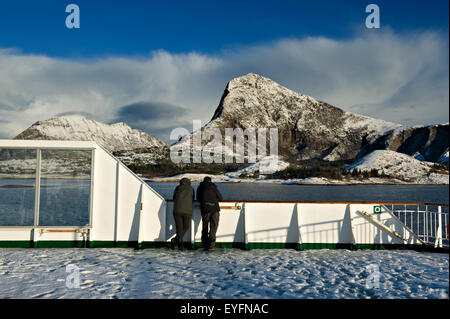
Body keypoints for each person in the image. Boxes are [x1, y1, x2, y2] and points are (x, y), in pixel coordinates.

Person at [196, 176, 223, 251]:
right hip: (215, 209)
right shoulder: (214, 187)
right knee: (213, 227)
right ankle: (211, 246)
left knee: (205, 226)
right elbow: (221, 198)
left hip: (205, 209)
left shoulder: (200, 187)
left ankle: (204, 245)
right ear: (210, 181)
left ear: (203, 180)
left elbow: (198, 198)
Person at [171, 177, 194, 250]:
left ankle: (176, 240)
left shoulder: (177, 188)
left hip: (177, 211)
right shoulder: (191, 189)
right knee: (186, 226)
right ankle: (180, 244)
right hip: (187, 211)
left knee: (179, 228)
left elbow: (174, 198)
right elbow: (193, 198)